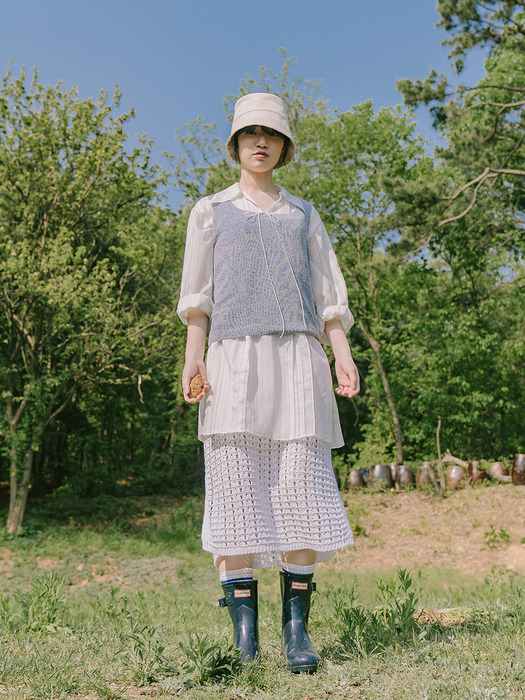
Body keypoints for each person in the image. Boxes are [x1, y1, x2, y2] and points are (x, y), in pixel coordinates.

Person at [177, 93, 359, 673]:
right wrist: (193, 358)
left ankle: (297, 635)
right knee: (234, 492)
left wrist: (342, 355)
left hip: (299, 360)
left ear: (283, 146)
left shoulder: (303, 214)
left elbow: (329, 294)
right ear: (235, 143)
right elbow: (197, 298)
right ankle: (244, 639)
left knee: (300, 490)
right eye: (250, 132)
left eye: (271, 134)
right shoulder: (210, 211)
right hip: (232, 360)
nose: (261, 141)